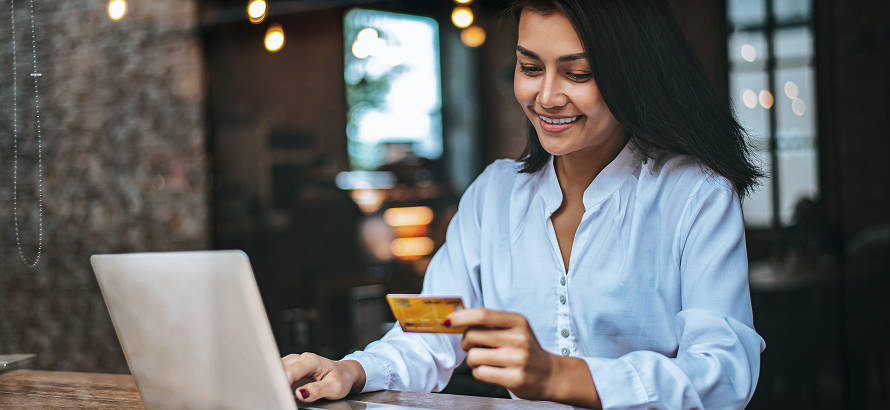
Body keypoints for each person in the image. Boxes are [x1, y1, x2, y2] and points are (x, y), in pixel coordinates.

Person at [282, 0, 766, 408]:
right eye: (530, 68)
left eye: (578, 73)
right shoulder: (492, 197)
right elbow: (428, 330)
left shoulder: (694, 195)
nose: (547, 96)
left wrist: (559, 377)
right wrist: (353, 370)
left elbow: (723, 372)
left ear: (632, 76)